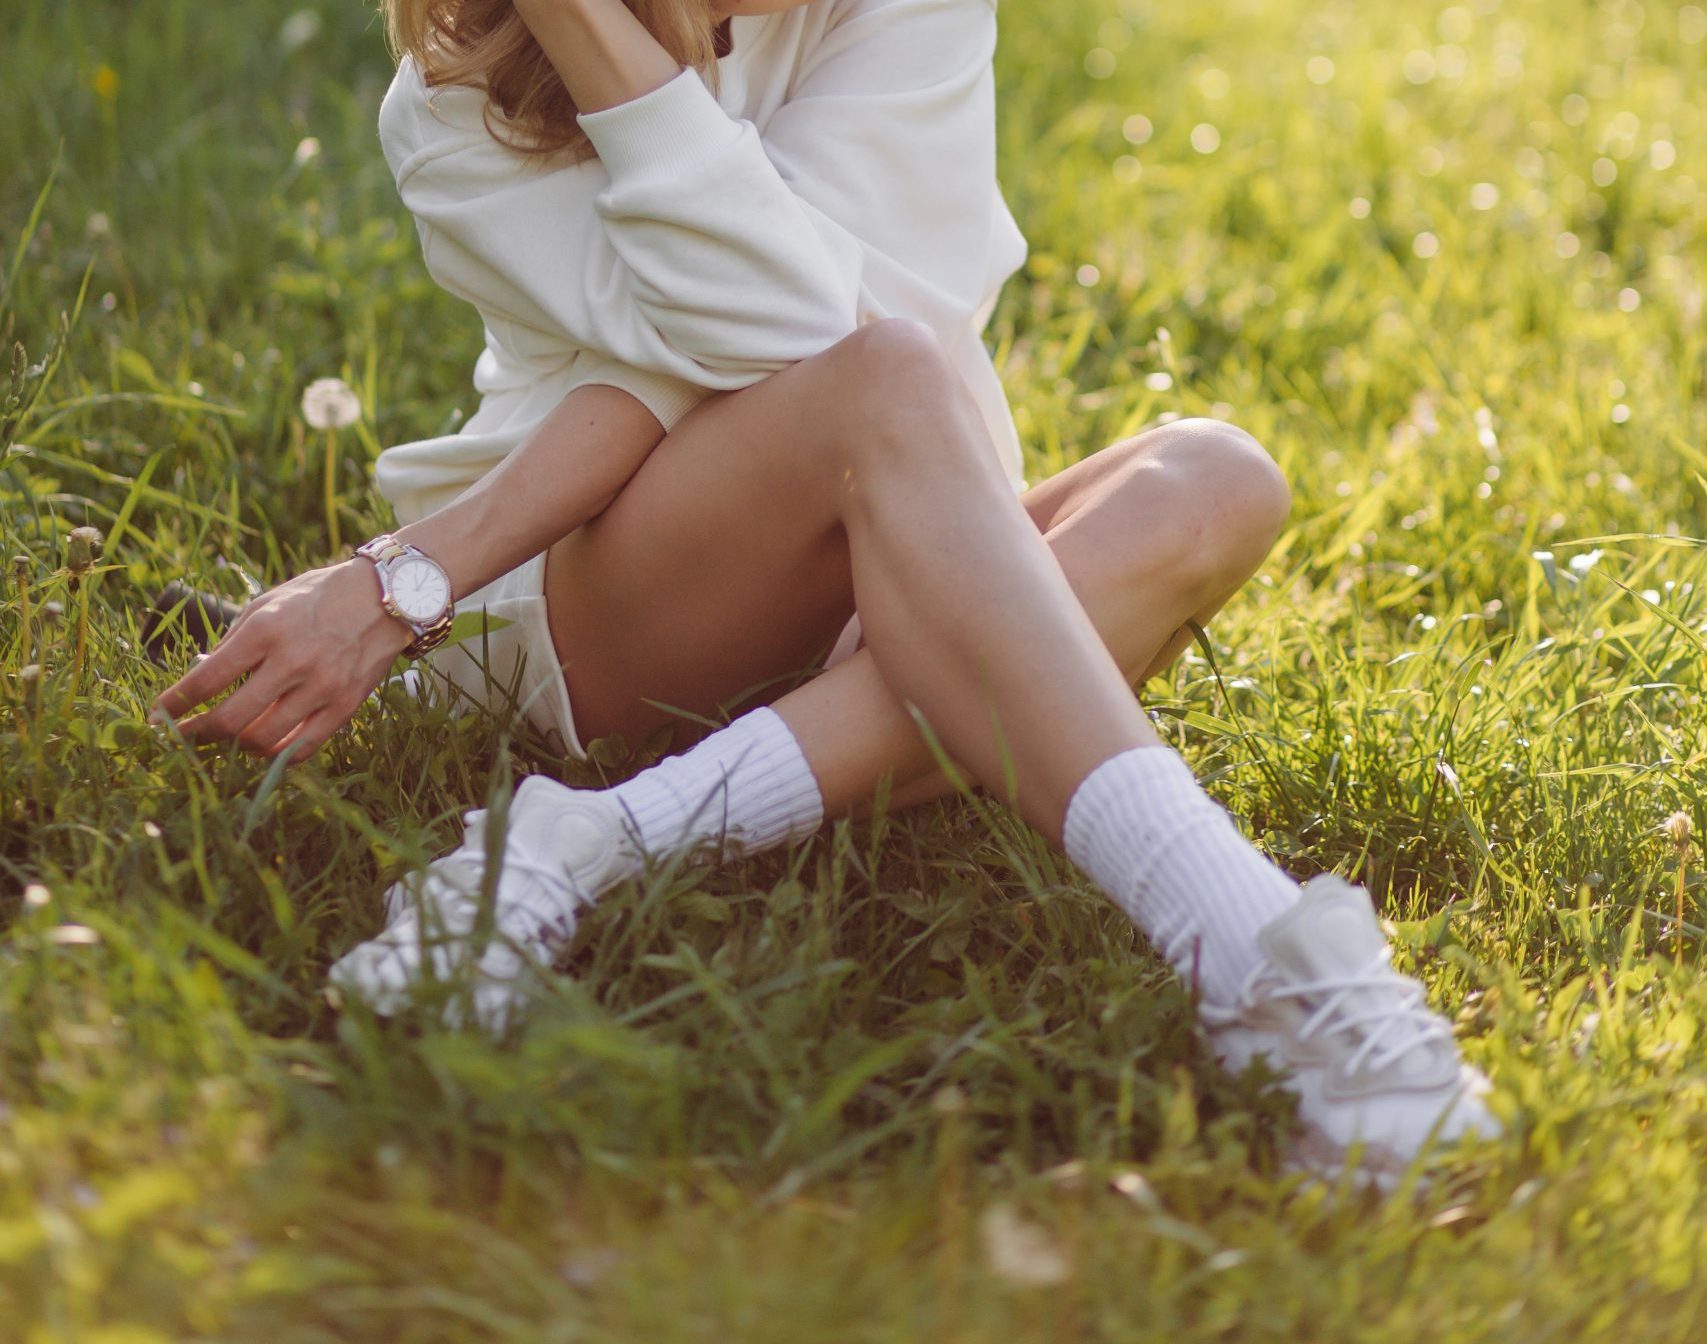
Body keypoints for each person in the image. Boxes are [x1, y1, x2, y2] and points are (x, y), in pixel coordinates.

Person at [151, 0, 1499, 1184]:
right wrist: (586, 26)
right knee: (885, 377)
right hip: (611, 584)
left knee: (1216, 480)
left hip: (908, 548)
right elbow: (786, 332)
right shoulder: (460, 88)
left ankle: (589, 844)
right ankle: (1258, 947)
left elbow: (834, 314)